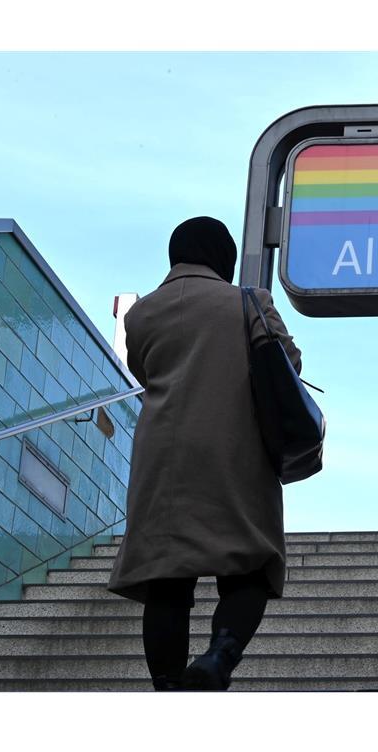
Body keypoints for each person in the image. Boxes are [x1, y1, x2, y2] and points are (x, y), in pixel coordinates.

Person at [107, 216, 302, 691]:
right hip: (235, 453)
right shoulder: (247, 303)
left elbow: (142, 368)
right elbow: (288, 364)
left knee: (167, 580)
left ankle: (168, 685)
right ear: (224, 258)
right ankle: (219, 656)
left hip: (163, 459)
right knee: (251, 566)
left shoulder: (142, 315)